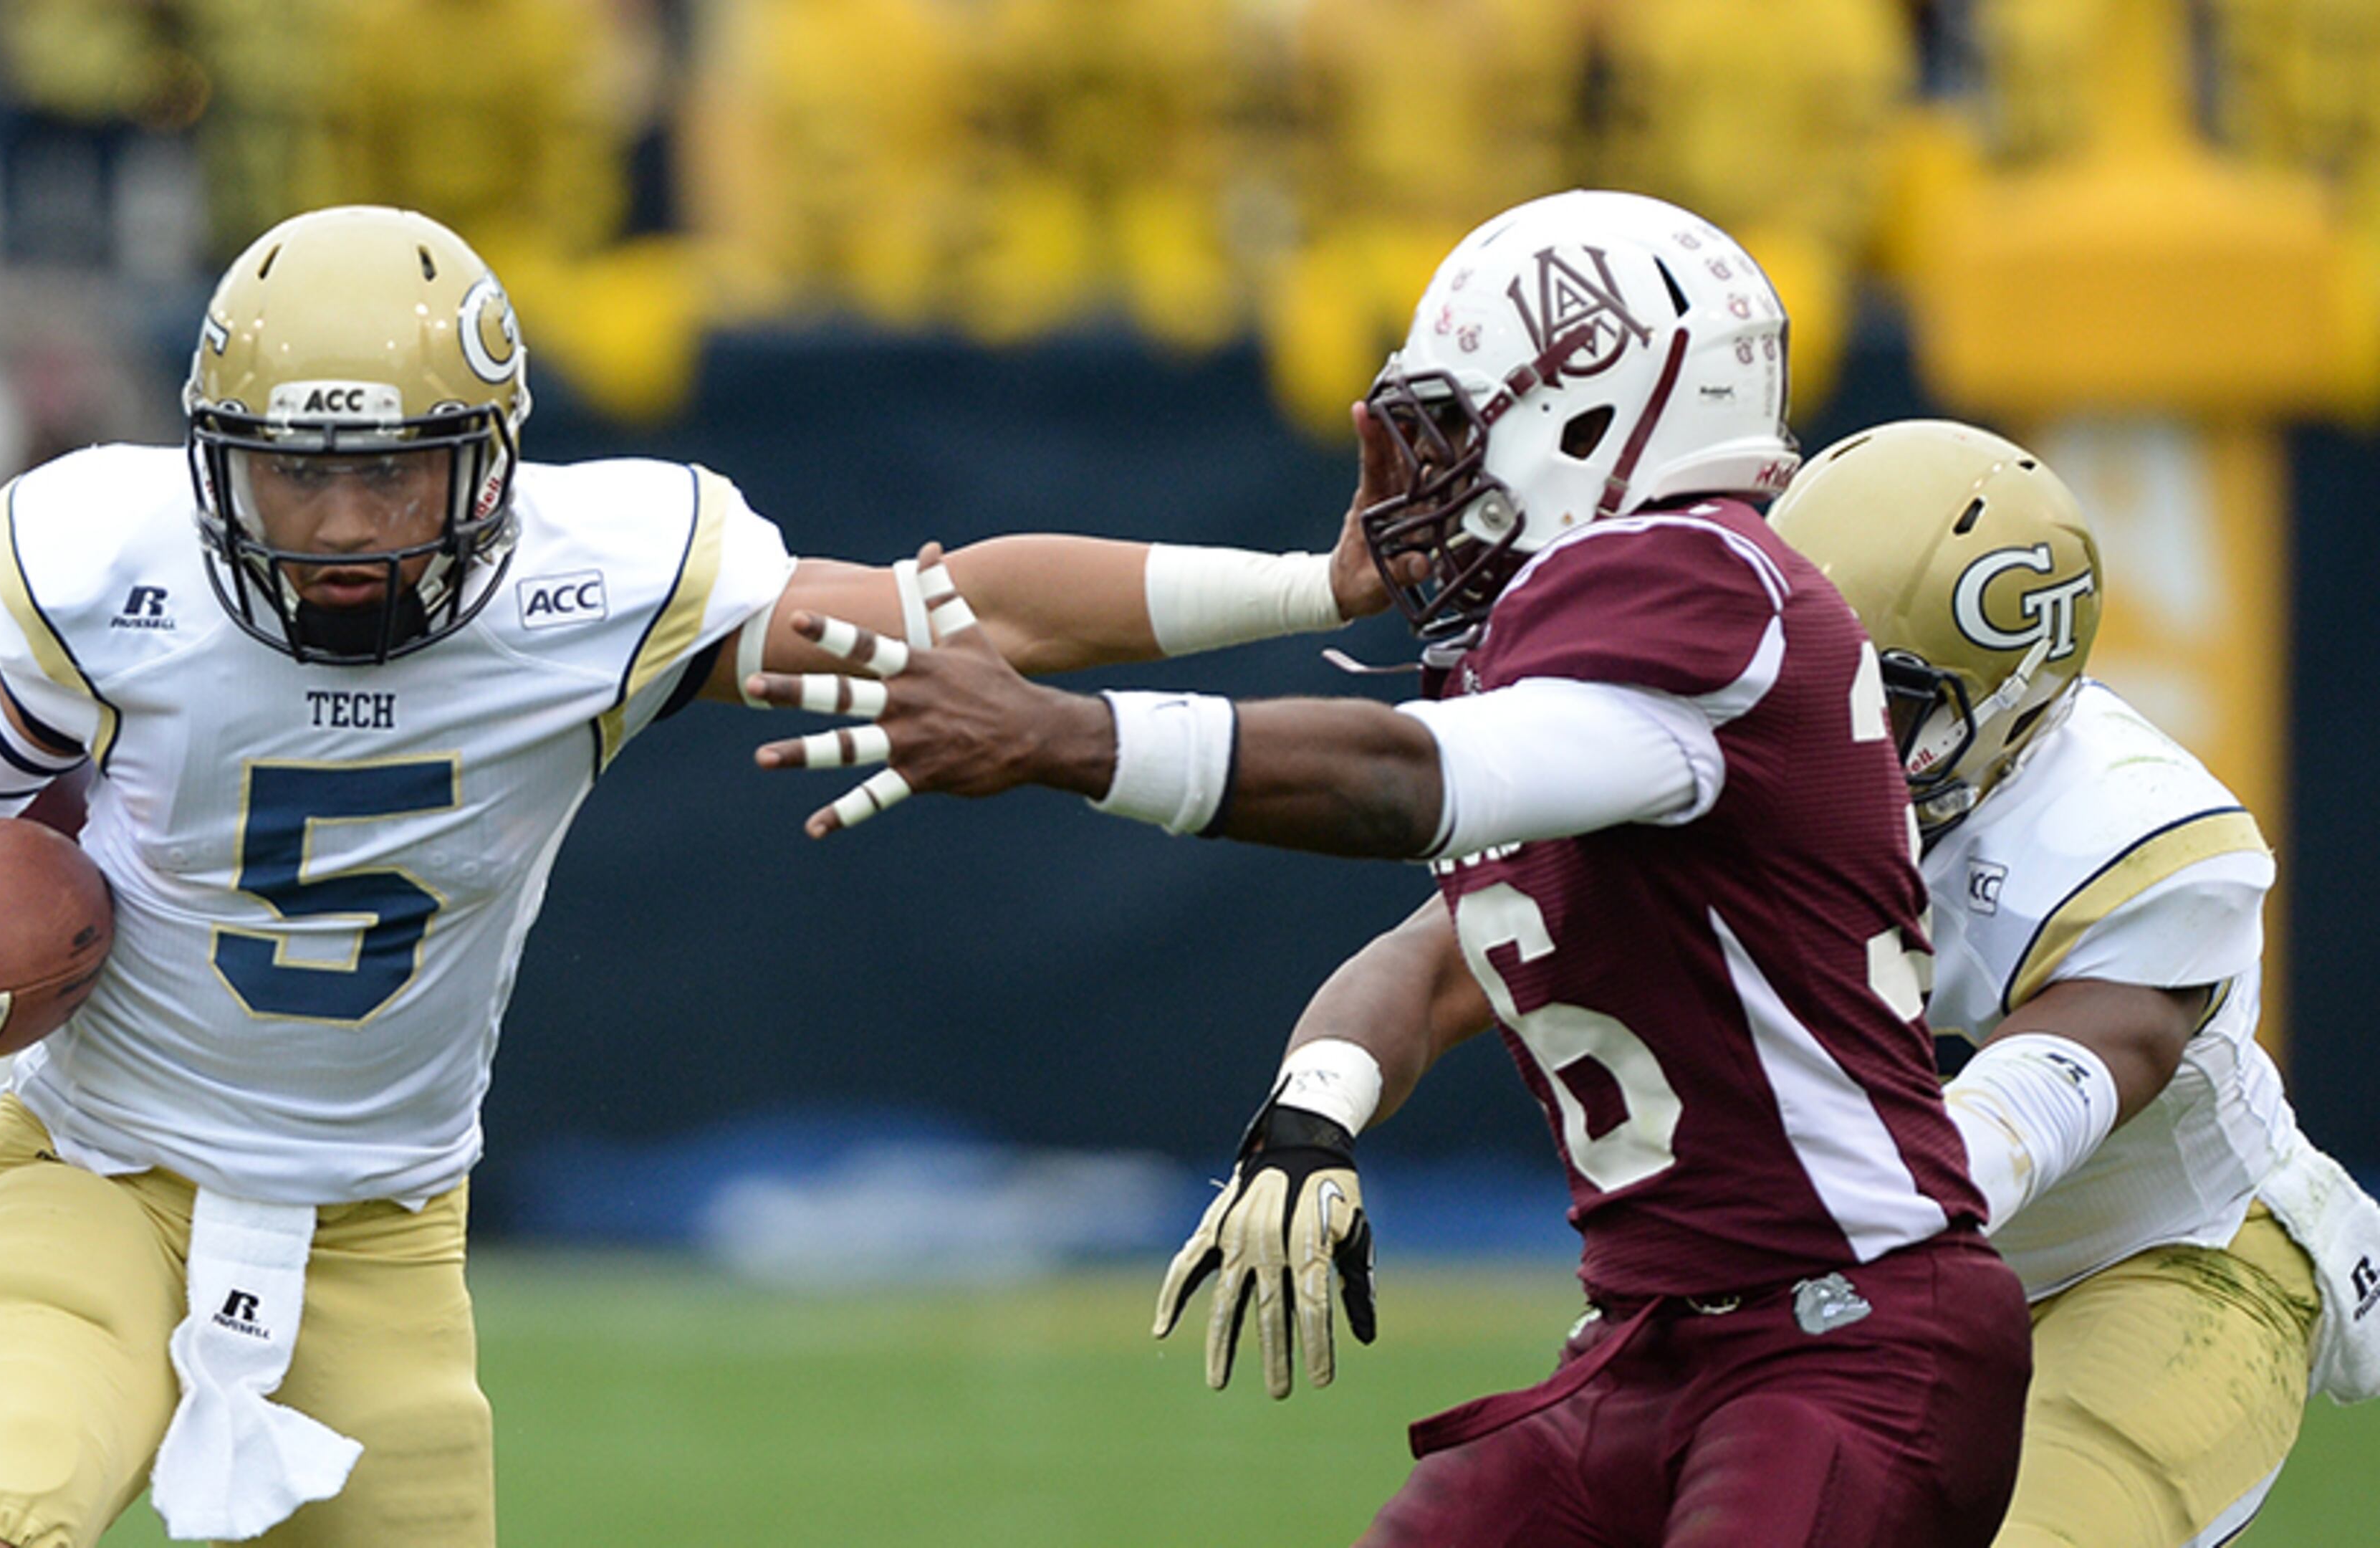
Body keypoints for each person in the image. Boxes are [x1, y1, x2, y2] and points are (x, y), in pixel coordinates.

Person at [0, 204, 1391, 1548]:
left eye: (390, 472)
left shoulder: (599, 587)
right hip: (102, 1173)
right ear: (213, 464)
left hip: (383, 1229)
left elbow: (956, 614)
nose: (341, 524)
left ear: (491, 465)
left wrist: (1308, 578)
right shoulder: (110, 569)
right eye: (294, 472)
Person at [752, 188, 2033, 1546]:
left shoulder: (1699, 578)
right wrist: (1313, 1115)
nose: (1423, 480)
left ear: (1592, 418)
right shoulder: (1584, 640)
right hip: (1660, 1351)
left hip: (1844, 1339)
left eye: (1452, 433)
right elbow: (1437, 961)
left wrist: (1064, 736)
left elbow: (1402, 783)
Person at [1766, 419, 2380, 1548]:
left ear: (2005, 693)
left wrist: (1801, 1229)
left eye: (1869, 699)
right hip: (1898, 1290)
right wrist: (1327, 1091)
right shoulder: (1743, 758)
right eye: (1794, 675)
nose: (1810, 728)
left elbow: (2040, 1097)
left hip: (2167, 1262)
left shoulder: (2128, 831)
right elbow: (1470, 937)